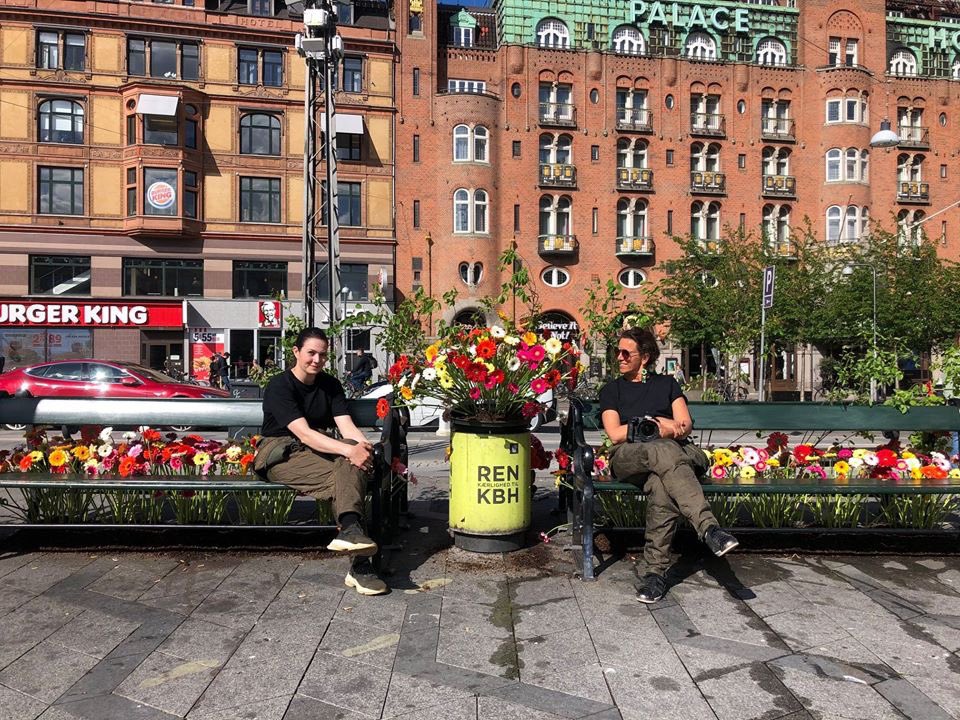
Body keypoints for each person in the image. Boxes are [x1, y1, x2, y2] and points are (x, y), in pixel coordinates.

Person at [600, 327, 738, 604]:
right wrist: (652, 426)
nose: (620, 357)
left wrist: (670, 429)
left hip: (672, 458)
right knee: (662, 449)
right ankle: (708, 528)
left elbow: (685, 425)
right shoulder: (612, 390)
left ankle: (655, 575)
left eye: (626, 352)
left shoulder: (667, 385)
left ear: (646, 357)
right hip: (629, 456)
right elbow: (615, 433)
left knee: (662, 487)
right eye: (618, 351)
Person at [257, 327, 387, 595]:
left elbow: (346, 425)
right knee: (348, 471)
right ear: (296, 352)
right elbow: (304, 434)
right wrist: (350, 452)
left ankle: (351, 531)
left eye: (323, 355)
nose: (317, 360)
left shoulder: (330, 385)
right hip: (282, 453)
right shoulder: (279, 386)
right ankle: (361, 565)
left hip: (322, 450)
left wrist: (363, 448)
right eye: (311, 353)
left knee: (352, 461)